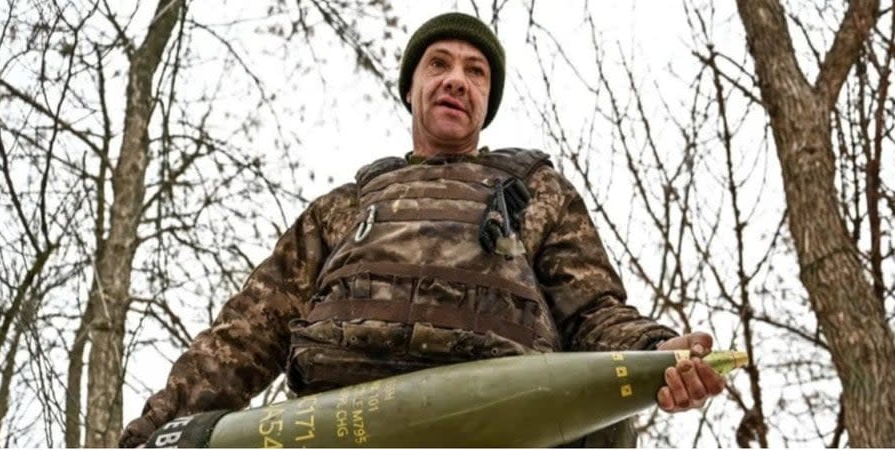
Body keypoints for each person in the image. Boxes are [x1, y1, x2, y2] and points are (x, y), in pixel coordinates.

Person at [119, 12, 724, 448]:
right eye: (439, 64)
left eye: (476, 71)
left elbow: (593, 313)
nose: (457, 79)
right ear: (411, 87)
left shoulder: (537, 193)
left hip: (501, 428)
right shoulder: (342, 207)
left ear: (487, 99)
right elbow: (245, 336)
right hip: (341, 429)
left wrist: (653, 353)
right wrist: (150, 433)